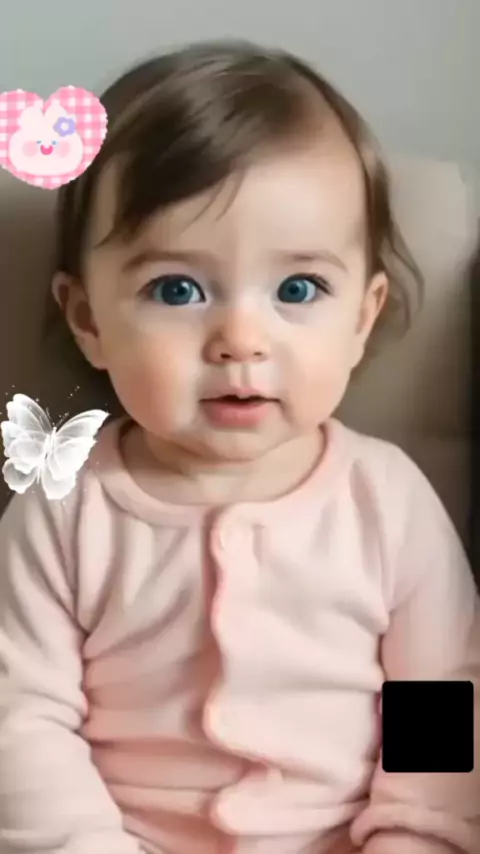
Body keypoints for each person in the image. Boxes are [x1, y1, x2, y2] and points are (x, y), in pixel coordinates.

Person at [0, 40, 478, 854]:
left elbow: (437, 695)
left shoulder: (386, 498)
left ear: (362, 318)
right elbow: (20, 714)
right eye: (177, 289)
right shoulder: (63, 502)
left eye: (298, 289)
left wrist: (413, 838)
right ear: (88, 320)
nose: (240, 339)